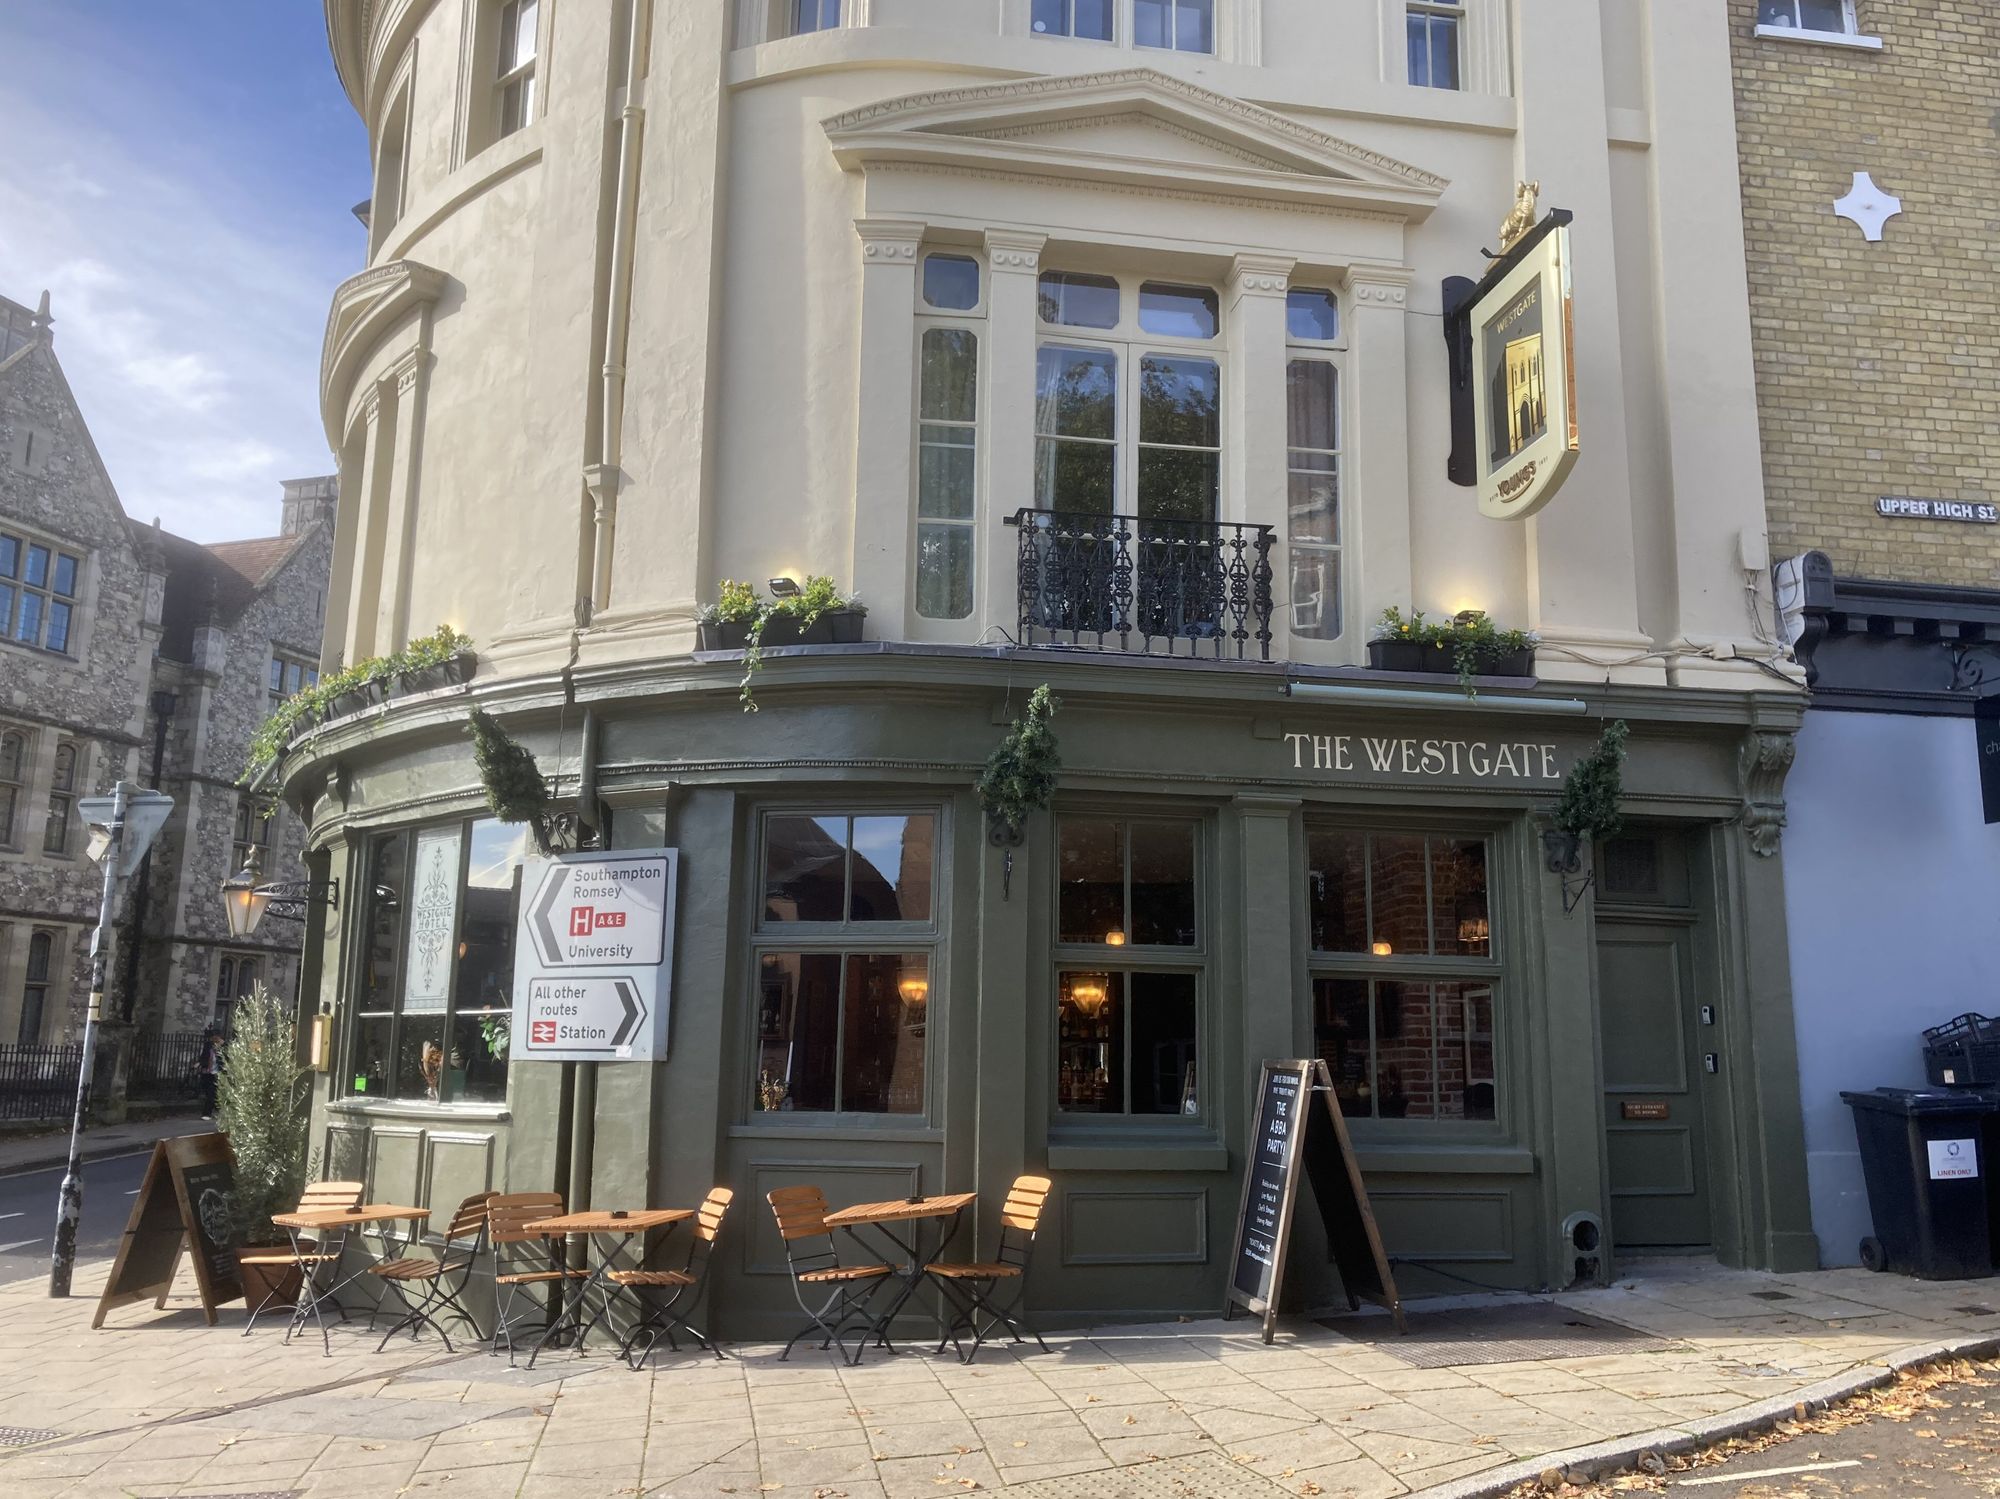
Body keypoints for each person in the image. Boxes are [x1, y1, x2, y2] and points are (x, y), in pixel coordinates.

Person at [195, 1025, 223, 1118]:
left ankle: (206, 1113)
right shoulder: (208, 1045)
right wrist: (199, 1063)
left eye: (215, 1037)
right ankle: (217, 1110)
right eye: (212, 1037)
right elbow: (204, 1056)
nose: (213, 1039)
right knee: (209, 1093)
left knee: (212, 1094)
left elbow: (226, 1059)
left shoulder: (224, 1046)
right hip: (207, 1072)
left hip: (217, 1073)